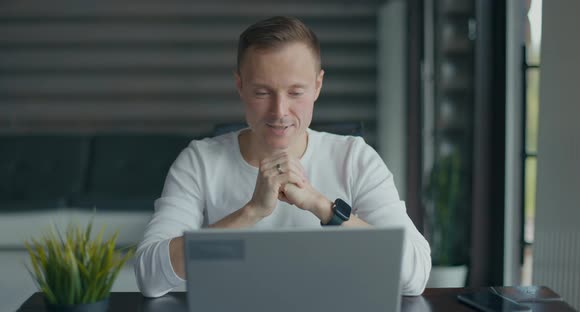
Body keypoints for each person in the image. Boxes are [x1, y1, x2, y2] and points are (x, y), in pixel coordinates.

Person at [135, 16, 431, 298]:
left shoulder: (355, 158)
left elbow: (415, 275)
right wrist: (251, 212)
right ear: (240, 86)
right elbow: (149, 277)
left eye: (296, 92)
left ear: (317, 86)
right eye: (263, 92)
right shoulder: (199, 162)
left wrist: (324, 208)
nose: (279, 111)